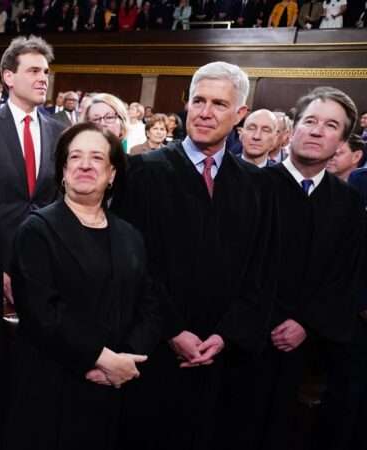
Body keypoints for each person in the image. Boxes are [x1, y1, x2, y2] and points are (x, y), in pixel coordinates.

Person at [113, 61, 274, 450]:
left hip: (224, 357)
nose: (205, 112)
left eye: (219, 103)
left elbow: (261, 268)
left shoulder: (256, 184)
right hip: (154, 352)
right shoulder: (143, 171)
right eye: (198, 100)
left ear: (240, 114)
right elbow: (131, 263)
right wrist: (172, 330)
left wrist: (225, 334)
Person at [0, 122, 161, 450]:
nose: (86, 165)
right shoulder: (36, 230)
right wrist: (100, 358)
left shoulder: (130, 235)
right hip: (50, 386)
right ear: (63, 170)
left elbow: (150, 304)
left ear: (112, 173)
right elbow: (42, 312)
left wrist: (125, 360)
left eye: (97, 158)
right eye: (76, 157)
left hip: (115, 387)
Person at [256, 87, 366, 450]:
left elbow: (346, 274)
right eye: (311, 121)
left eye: (331, 125)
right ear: (293, 130)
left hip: (308, 349)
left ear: (341, 142)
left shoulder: (348, 203)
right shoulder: (250, 185)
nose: (318, 131)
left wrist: (306, 323)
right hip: (245, 339)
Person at [0, 36, 66, 305]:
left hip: (45, 261)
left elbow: (59, 199)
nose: (43, 78)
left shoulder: (59, 132)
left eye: (46, 72)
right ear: (9, 77)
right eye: (33, 71)